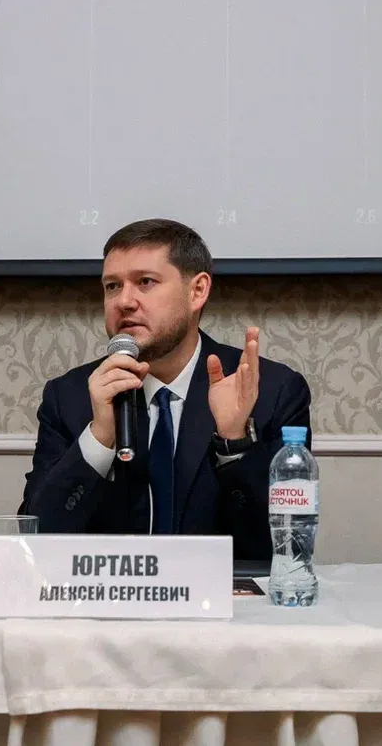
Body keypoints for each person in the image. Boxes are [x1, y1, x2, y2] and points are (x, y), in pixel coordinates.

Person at [20, 219, 312, 559]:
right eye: (112, 286)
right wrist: (99, 439)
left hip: (220, 592)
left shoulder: (271, 391)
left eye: (145, 282)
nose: (124, 301)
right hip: (111, 591)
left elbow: (287, 550)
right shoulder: (70, 396)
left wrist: (233, 443)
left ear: (197, 291)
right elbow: (33, 540)